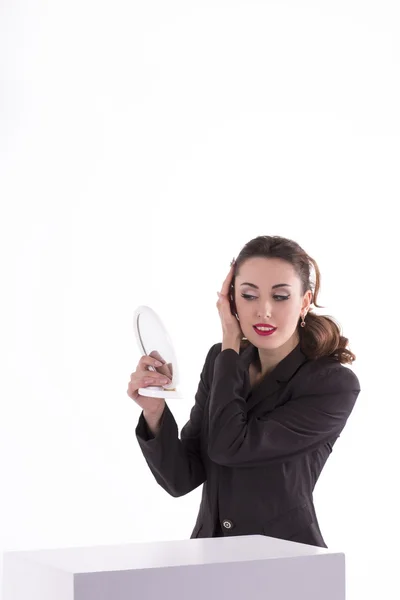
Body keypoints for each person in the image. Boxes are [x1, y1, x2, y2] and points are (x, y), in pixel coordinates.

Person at [127, 235, 361, 547]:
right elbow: (181, 478)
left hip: (285, 562)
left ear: (304, 302)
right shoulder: (220, 361)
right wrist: (155, 410)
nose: (263, 311)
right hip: (210, 557)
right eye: (249, 295)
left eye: (280, 297)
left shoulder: (332, 385)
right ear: (233, 299)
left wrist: (229, 342)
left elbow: (231, 446)